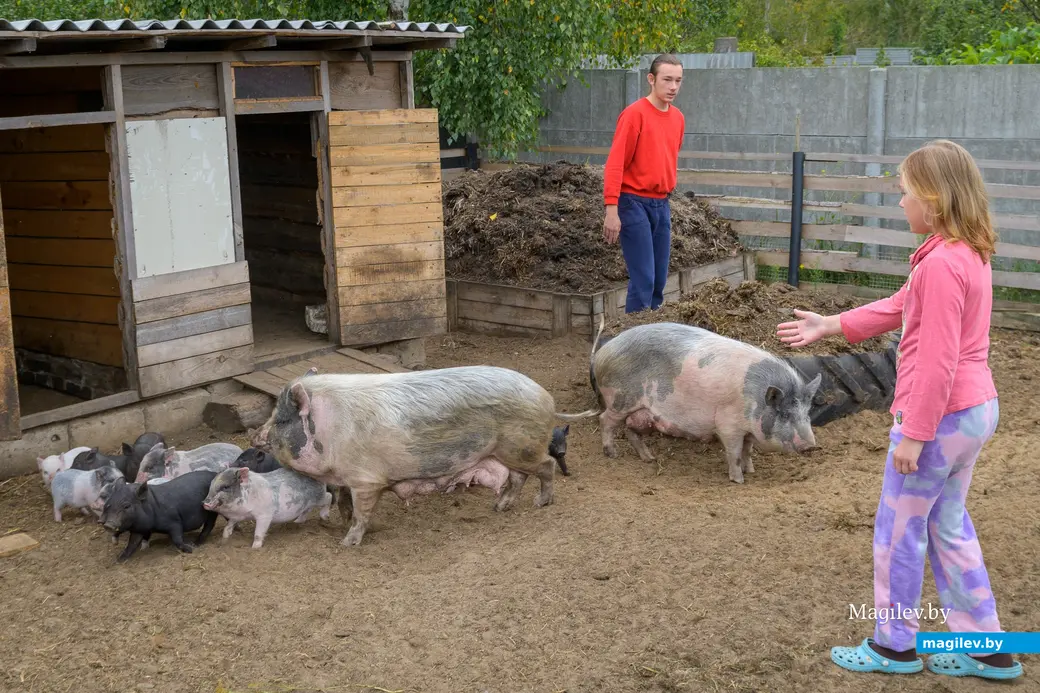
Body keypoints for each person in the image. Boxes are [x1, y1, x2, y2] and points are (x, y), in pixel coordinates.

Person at [776, 139, 1023, 681]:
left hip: (941, 419)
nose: (901, 203)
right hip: (976, 410)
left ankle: (893, 647)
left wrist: (915, 431)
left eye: (906, 194)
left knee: (898, 531)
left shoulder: (940, 265)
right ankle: (987, 649)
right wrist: (831, 323)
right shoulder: (966, 252)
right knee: (948, 525)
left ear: (934, 199)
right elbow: (899, 306)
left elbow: (935, 361)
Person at [602, 54, 685, 313]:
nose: (673, 87)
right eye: (667, 79)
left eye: (678, 81)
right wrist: (611, 209)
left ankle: (652, 339)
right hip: (632, 202)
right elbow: (616, 163)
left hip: (661, 204)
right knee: (644, 279)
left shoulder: (678, 118)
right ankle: (632, 346)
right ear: (651, 79)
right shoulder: (634, 115)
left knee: (659, 280)